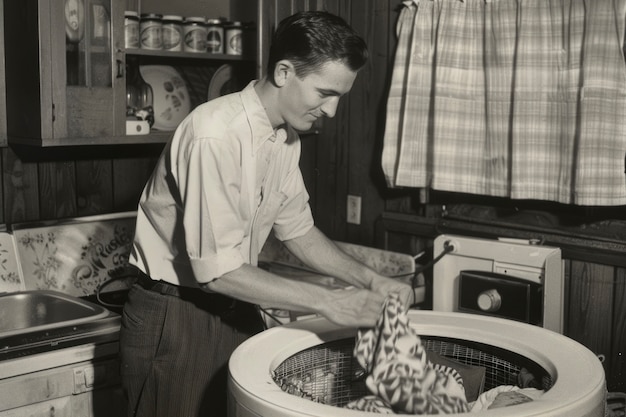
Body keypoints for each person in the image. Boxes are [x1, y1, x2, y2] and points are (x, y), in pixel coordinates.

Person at [119, 10, 414, 417]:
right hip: (175, 317)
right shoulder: (215, 135)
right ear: (283, 72)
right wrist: (332, 302)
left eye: (339, 97)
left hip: (233, 309)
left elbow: (299, 231)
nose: (331, 111)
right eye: (325, 93)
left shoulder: (285, 140)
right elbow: (217, 271)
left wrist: (371, 279)